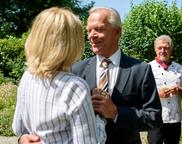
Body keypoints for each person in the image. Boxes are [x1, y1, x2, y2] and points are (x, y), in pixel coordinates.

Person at [19, 6, 163, 144]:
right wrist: (23, 137)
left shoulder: (140, 69)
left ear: (117, 32)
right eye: (89, 30)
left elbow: (154, 118)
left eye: (99, 29)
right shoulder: (74, 69)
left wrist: (116, 112)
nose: (91, 36)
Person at [12, 7, 98, 144]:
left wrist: (22, 139)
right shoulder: (75, 87)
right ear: (72, 44)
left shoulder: (27, 76)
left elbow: (18, 128)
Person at [147, 35, 182, 144]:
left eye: (166, 48)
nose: (163, 51)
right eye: (160, 48)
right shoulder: (147, 68)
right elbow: (141, 94)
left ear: (171, 49)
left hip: (175, 118)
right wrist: (157, 94)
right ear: (155, 49)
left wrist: (179, 90)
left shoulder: (179, 68)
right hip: (156, 117)